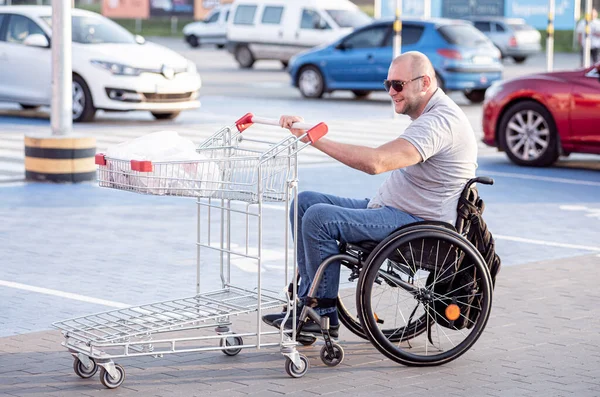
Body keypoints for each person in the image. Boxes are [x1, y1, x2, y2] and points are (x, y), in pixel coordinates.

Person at [262, 51, 478, 337]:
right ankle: (306, 303)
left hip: (416, 222)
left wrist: (314, 139)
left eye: (398, 85)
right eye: (387, 83)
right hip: (391, 210)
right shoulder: (430, 115)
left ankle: (322, 313)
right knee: (304, 202)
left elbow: (376, 162)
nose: (390, 92)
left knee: (319, 218)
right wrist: (307, 131)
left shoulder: (440, 122)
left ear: (424, 82)